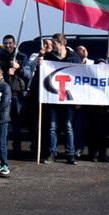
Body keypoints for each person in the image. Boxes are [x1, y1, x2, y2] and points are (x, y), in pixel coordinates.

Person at [40, 34, 80, 164]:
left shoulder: (73, 58)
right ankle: (52, 152)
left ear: (61, 44)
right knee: (52, 126)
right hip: (52, 97)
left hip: (68, 98)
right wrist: (40, 62)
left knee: (68, 126)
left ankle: (70, 153)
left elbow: (80, 78)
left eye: (54, 43)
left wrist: (79, 98)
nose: (52, 46)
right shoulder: (49, 57)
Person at [0, 35, 30, 158]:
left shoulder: (22, 57)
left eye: (10, 43)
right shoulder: (0, 57)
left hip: (17, 94)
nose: (8, 45)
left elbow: (28, 75)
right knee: (3, 122)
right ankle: (2, 148)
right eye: (5, 43)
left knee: (17, 124)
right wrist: (6, 72)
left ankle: (17, 149)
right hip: (4, 94)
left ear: (14, 44)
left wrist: (18, 68)